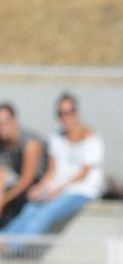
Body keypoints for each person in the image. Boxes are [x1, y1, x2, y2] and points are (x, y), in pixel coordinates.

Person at [1, 93, 102, 254]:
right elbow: (52, 172)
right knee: (30, 209)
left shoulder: (91, 138)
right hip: (58, 188)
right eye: (61, 113)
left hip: (81, 190)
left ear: (77, 113)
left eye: (70, 112)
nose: (66, 117)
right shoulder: (56, 138)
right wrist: (40, 188)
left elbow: (83, 174)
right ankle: (3, 238)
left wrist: (58, 190)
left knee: (46, 213)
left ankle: (10, 248)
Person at [0, 103, 47, 228]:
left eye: (4, 123)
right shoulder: (3, 143)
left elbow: (27, 179)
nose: (1, 127)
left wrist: (3, 200)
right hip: (20, 186)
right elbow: (1, 174)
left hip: (39, 187)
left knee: (22, 201)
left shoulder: (30, 142)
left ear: (14, 121)